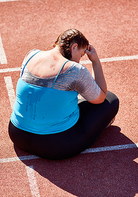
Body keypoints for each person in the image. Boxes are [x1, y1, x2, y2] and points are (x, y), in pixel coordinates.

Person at [8, 29, 119, 160]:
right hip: (54, 145)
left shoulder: (31, 55)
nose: (79, 61)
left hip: (17, 134)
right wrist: (95, 61)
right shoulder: (75, 70)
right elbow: (101, 96)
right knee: (111, 100)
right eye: (82, 55)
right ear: (74, 47)